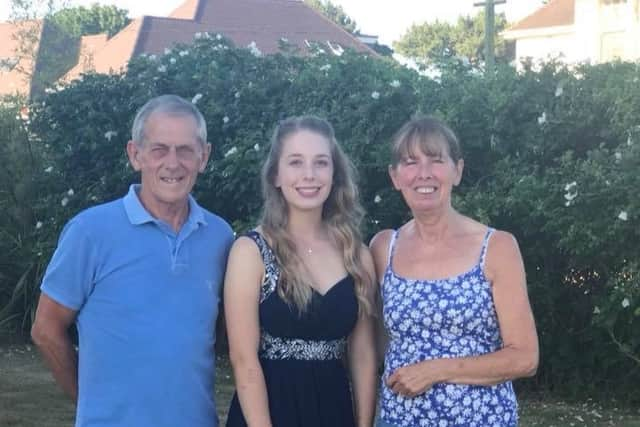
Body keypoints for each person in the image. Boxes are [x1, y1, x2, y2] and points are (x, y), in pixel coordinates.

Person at [30, 94, 234, 427]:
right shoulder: (90, 231)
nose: (173, 162)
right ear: (134, 154)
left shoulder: (220, 237)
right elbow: (46, 329)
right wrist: (91, 402)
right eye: (159, 149)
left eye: (185, 150)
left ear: (204, 156)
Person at [370, 116, 539, 427]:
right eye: (410, 162)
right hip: (399, 419)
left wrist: (434, 370)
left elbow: (525, 357)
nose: (424, 173)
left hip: (482, 419)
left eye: (436, 160)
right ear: (395, 176)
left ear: (457, 170)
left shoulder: (497, 247)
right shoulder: (383, 248)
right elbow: (375, 343)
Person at [224, 116, 378, 427]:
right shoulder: (250, 251)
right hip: (267, 412)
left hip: (334, 411)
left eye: (321, 163)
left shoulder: (357, 255)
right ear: (276, 176)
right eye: (295, 162)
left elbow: (363, 355)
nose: (309, 175)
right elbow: (243, 359)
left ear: (334, 175)